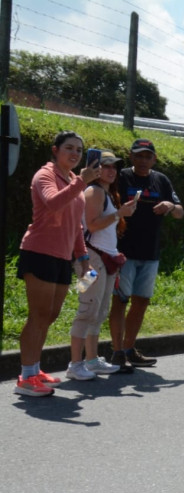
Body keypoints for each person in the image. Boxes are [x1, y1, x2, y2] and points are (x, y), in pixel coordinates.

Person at [14, 131, 100, 396]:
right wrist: (81, 183)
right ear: (55, 150)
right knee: (38, 316)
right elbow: (52, 203)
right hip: (39, 252)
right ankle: (26, 378)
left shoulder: (74, 179)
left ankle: (34, 368)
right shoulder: (45, 175)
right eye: (69, 148)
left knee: (49, 316)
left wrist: (83, 259)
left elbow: (75, 226)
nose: (74, 154)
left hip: (62, 257)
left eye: (78, 150)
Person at [109, 139, 184, 371]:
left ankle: (130, 348)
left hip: (151, 253)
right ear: (131, 157)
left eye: (147, 156)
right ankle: (117, 352)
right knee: (120, 301)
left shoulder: (161, 180)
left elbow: (180, 212)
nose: (143, 160)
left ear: (154, 158)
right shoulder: (120, 177)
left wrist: (169, 206)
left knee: (141, 302)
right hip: (124, 252)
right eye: (138, 156)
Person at [66, 151, 138, 380]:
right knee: (87, 309)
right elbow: (93, 226)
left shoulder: (106, 193)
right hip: (90, 259)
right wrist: (119, 213)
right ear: (95, 169)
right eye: (105, 166)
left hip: (106, 258)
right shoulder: (94, 191)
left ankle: (92, 360)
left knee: (99, 311)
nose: (111, 170)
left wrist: (119, 213)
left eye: (114, 167)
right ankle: (75, 363)